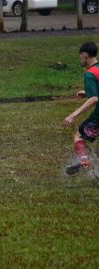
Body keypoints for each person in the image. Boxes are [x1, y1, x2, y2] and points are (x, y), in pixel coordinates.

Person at [64, 42, 99, 174]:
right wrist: (87, 91)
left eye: (80, 57)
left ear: (85, 55)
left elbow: (94, 99)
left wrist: (73, 115)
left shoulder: (90, 74)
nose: (80, 59)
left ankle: (84, 160)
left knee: (79, 137)